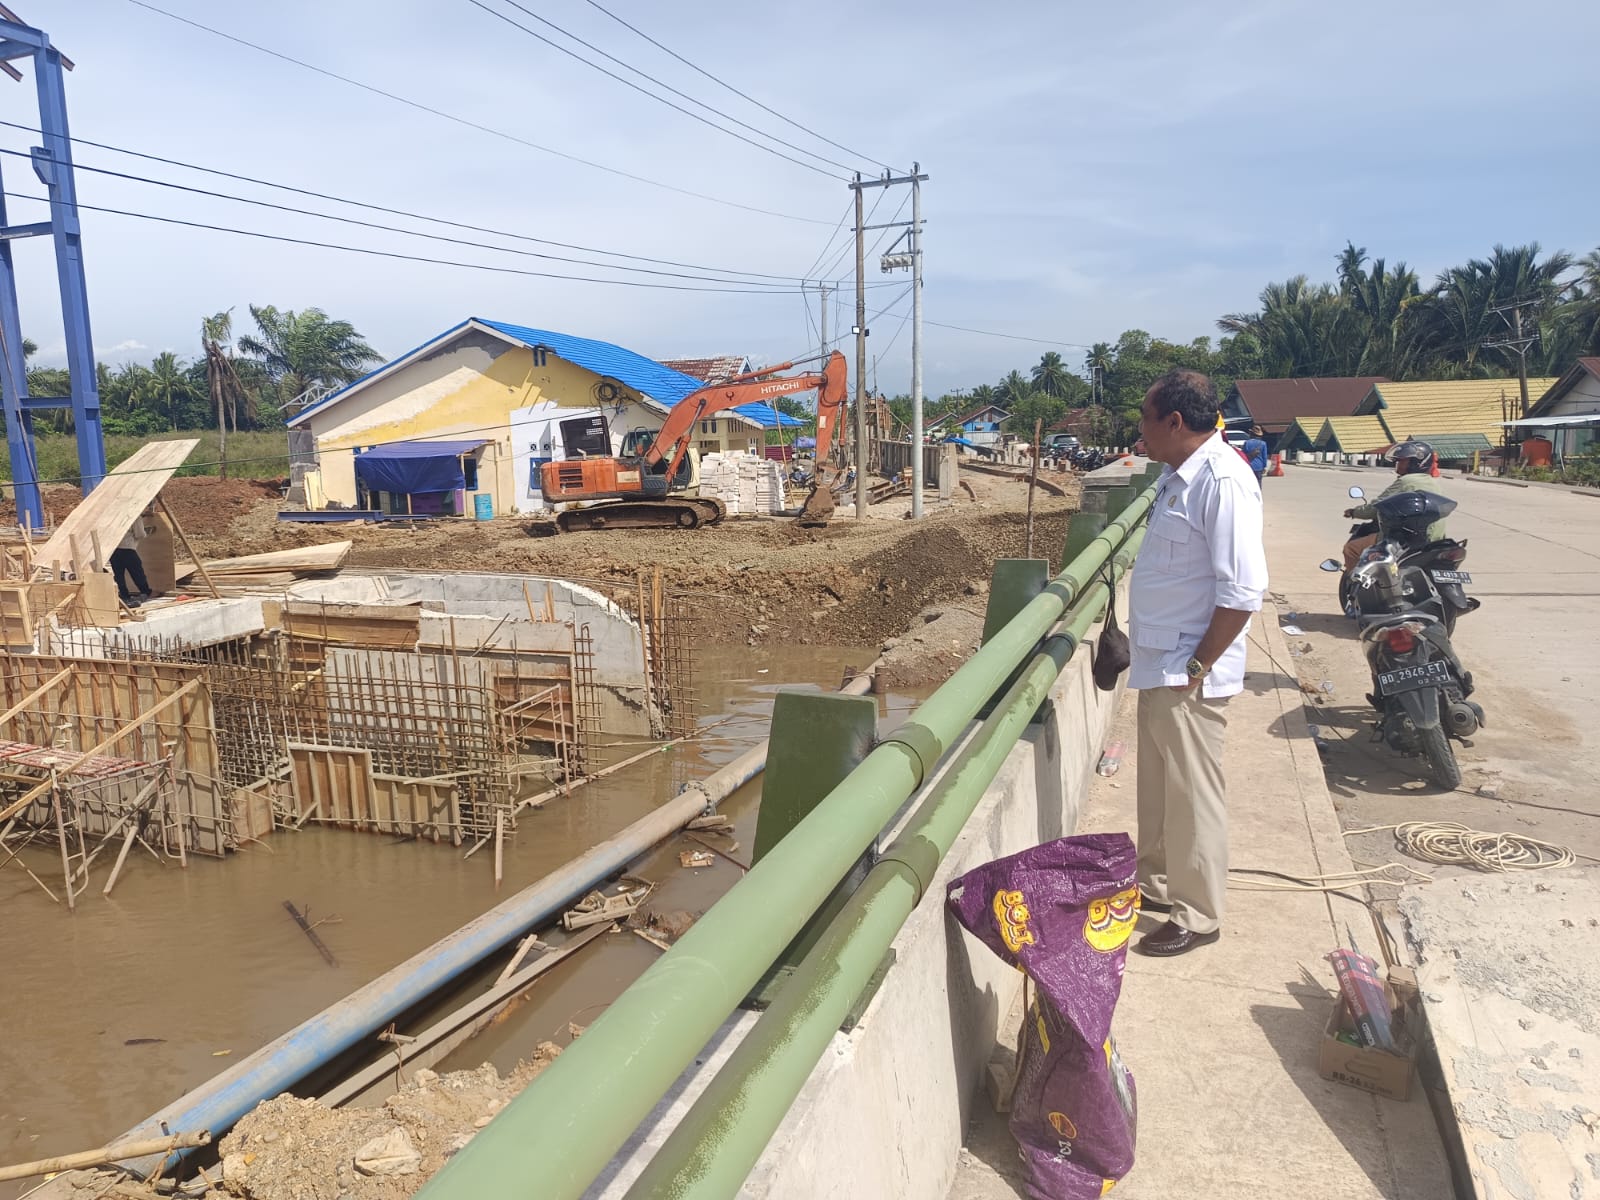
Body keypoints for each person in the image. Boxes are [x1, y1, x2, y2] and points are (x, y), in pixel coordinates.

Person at [1128, 369, 1268, 957]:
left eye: (1145, 419)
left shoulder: (1222, 481)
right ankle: (1158, 885)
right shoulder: (1174, 477)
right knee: (1160, 790)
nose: (1140, 431)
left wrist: (1199, 666)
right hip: (1159, 662)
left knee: (1192, 796)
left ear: (1174, 422)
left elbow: (1242, 592)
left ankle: (1198, 913)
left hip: (1187, 668)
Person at [1341, 440, 1444, 571]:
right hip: (1435, 539)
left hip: (1407, 539)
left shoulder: (1405, 481)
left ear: (1416, 462)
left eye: (1402, 461)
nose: (1398, 464)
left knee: (1351, 549)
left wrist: (1354, 512)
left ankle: (1356, 585)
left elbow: (1375, 508)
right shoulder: (1434, 483)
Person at [110, 510, 154, 607]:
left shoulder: (114, 515)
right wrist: (146, 530)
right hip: (127, 549)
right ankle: (145, 592)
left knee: (119, 575)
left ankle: (124, 595)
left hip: (114, 549)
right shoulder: (135, 517)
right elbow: (140, 534)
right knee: (137, 572)